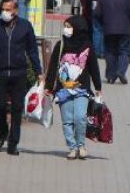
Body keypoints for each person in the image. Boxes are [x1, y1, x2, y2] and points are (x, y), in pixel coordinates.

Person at [0, 0, 43, 156]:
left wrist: (39, 71)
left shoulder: (25, 26)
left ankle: (13, 144)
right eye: (3, 9)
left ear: (16, 11)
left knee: (17, 109)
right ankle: (1, 131)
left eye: (8, 9)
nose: (5, 12)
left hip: (19, 73)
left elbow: (32, 50)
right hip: (1, 72)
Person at [45, 16, 102, 160]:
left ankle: (81, 144)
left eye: (69, 26)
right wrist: (48, 87)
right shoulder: (61, 45)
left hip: (81, 88)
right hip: (63, 89)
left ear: (78, 28)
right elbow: (52, 67)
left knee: (80, 117)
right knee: (67, 120)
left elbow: (94, 67)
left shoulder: (88, 46)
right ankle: (72, 147)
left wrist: (98, 87)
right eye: (65, 26)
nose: (66, 29)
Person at [95, 0, 130, 84]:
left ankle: (110, 76)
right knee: (124, 51)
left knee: (110, 51)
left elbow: (97, 14)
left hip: (108, 29)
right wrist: (129, 23)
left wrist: (103, 23)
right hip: (125, 29)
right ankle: (121, 71)